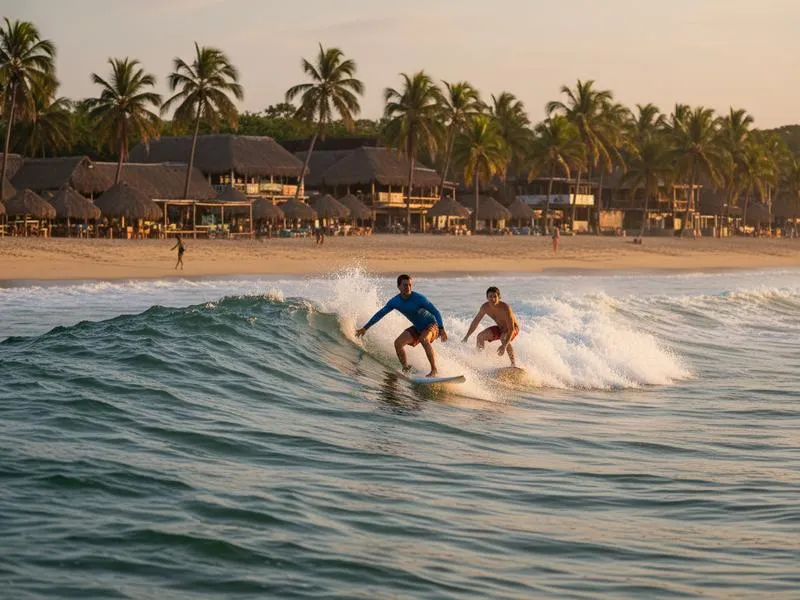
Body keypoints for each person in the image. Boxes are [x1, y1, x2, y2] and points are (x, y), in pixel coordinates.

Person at [355, 274, 448, 377]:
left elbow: (436, 312)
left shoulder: (419, 298)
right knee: (398, 343)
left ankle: (434, 370)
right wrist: (365, 328)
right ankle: (406, 368)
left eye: (410, 285)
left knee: (424, 339)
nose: (408, 287)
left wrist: (441, 328)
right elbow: (380, 314)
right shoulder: (395, 302)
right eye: (405, 285)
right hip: (418, 328)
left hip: (432, 325)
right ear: (398, 286)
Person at [462, 286, 520, 367]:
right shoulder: (485, 307)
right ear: (487, 297)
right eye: (490, 297)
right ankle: (479, 362)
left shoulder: (505, 308)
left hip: (512, 329)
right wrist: (467, 336)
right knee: (480, 337)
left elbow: (511, 329)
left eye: (495, 297)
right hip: (500, 328)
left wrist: (504, 346)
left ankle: (513, 364)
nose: (492, 299)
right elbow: (475, 322)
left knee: (503, 338)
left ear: (499, 297)